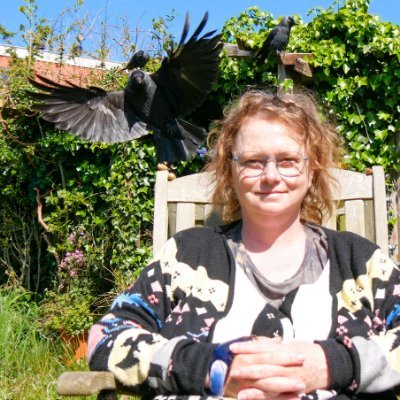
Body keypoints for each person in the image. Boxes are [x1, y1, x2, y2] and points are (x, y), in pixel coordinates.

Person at [87, 90, 400, 400]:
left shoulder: (362, 264)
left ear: (313, 168)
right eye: (253, 161)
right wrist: (211, 368)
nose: (270, 176)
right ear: (230, 170)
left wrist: (335, 364)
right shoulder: (185, 258)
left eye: (288, 160)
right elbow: (105, 337)